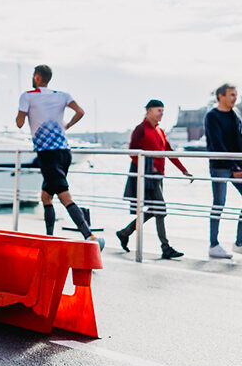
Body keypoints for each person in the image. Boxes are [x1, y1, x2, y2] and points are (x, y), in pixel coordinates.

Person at [16, 64, 103, 249]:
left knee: (65, 197)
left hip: (47, 154)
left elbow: (19, 122)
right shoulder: (62, 95)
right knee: (46, 196)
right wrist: (68, 125)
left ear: (37, 77)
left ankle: (90, 237)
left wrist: (24, 117)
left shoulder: (28, 96)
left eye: (34, 75)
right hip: (64, 152)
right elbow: (80, 111)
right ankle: (49, 237)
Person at [116, 100, 190, 259]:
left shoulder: (160, 131)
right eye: (158, 110)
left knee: (156, 210)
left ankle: (125, 232)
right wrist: (146, 169)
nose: (161, 113)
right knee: (161, 210)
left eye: (162, 110)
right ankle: (165, 247)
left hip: (158, 176)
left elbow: (169, 152)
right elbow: (132, 152)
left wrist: (184, 170)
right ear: (149, 111)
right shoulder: (140, 129)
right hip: (147, 176)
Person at [205, 83, 242, 259]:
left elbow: (239, 142)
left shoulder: (235, 115)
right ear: (221, 96)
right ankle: (213, 244)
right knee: (219, 202)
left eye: (236, 95)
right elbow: (217, 143)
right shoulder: (212, 116)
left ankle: (239, 242)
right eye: (232, 95)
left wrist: (239, 165)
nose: (235, 98)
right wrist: (234, 166)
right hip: (220, 166)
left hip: (236, 165)